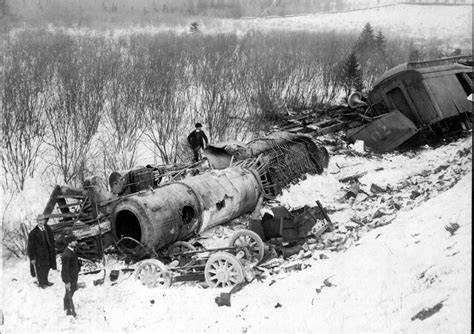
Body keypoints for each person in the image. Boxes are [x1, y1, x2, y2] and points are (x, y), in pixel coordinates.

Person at [27, 214, 56, 288]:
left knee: (47, 267)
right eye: (39, 221)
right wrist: (32, 258)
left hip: (48, 253)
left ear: (44, 221)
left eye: (42, 220)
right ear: (37, 221)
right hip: (39, 255)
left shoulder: (47, 228)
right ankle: (41, 283)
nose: (40, 222)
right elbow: (30, 247)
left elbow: (51, 240)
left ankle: (46, 281)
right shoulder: (33, 233)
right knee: (40, 269)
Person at [61, 234, 80, 317]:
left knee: (71, 291)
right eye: (74, 241)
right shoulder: (66, 255)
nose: (76, 242)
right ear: (69, 243)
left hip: (73, 276)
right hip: (70, 278)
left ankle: (67, 307)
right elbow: (64, 270)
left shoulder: (71, 251)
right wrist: (67, 281)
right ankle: (69, 310)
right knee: (69, 293)